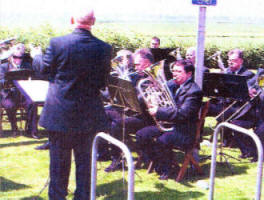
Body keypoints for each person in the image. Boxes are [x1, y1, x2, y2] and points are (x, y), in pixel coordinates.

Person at [32, 8, 112, 199]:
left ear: (71, 20)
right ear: (93, 21)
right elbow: (102, 83)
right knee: (85, 163)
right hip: (89, 115)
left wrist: (36, 55)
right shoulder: (104, 48)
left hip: (60, 113)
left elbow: (42, 70)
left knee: (59, 164)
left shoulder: (57, 43)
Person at [136, 60, 203, 180]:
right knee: (141, 134)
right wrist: (154, 98)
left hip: (185, 131)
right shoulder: (173, 84)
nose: (174, 74)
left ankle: (167, 169)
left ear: (189, 74)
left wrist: (159, 111)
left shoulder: (194, 91)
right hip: (171, 125)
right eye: (173, 71)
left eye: (178, 71)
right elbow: (166, 101)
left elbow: (183, 114)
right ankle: (157, 162)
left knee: (162, 140)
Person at [104, 48, 155, 172]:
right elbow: (120, 96)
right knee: (103, 113)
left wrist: (128, 95)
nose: (135, 67)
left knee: (116, 124)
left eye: (138, 64)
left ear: (147, 64)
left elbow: (140, 101)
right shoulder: (136, 76)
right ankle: (104, 151)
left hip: (145, 119)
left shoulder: (152, 79)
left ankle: (117, 158)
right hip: (132, 113)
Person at [0, 43, 38, 138]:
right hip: (8, 93)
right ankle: (14, 128)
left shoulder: (27, 65)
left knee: (32, 103)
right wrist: (7, 80)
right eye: (15, 57)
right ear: (11, 57)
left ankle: (32, 130)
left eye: (20, 58)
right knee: (9, 105)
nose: (18, 60)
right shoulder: (4, 66)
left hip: (24, 93)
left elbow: (33, 78)